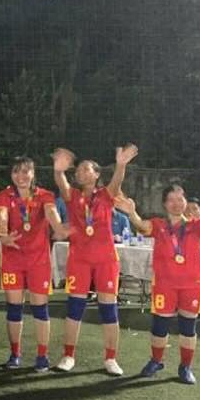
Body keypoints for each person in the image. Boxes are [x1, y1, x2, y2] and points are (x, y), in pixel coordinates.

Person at [116, 185, 200, 384]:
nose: (176, 203)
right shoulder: (158, 224)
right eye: (171, 199)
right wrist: (132, 213)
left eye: (180, 199)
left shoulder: (196, 225)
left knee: (188, 326)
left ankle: (185, 367)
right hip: (164, 285)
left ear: (186, 202)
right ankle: (156, 360)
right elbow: (142, 226)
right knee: (160, 325)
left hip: (192, 285)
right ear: (164, 203)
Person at [52, 144, 137, 375]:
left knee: (109, 310)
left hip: (106, 260)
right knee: (75, 308)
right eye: (78, 170)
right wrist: (59, 170)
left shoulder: (106, 195)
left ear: (97, 174)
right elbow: (61, 182)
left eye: (86, 169)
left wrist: (121, 165)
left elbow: (117, 182)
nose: (80, 172)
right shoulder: (73, 196)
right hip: (79, 259)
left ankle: (111, 359)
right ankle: (68, 356)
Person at [0, 156, 65, 372]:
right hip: (13, 258)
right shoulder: (4, 195)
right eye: (16, 171)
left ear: (33, 173)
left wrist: (59, 227)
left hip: (38, 261)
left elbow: (51, 213)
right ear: (11, 174)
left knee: (40, 309)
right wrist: (3, 234)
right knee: (14, 309)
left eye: (26, 171)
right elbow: (2, 215)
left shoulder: (45, 195)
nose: (21, 176)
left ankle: (42, 355)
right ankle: (15, 354)